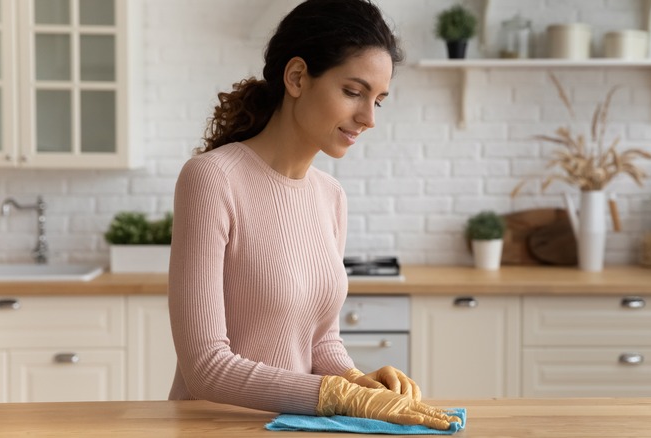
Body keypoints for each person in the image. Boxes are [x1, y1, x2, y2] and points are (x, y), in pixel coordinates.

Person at [168, 0, 459, 430]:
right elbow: (205, 366)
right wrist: (339, 395)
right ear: (298, 77)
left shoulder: (331, 196)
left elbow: (320, 341)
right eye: (353, 92)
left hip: (296, 426)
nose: (367, 118)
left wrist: (356, 380)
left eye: (378, 101)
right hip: (215, 427)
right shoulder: (212, 179)